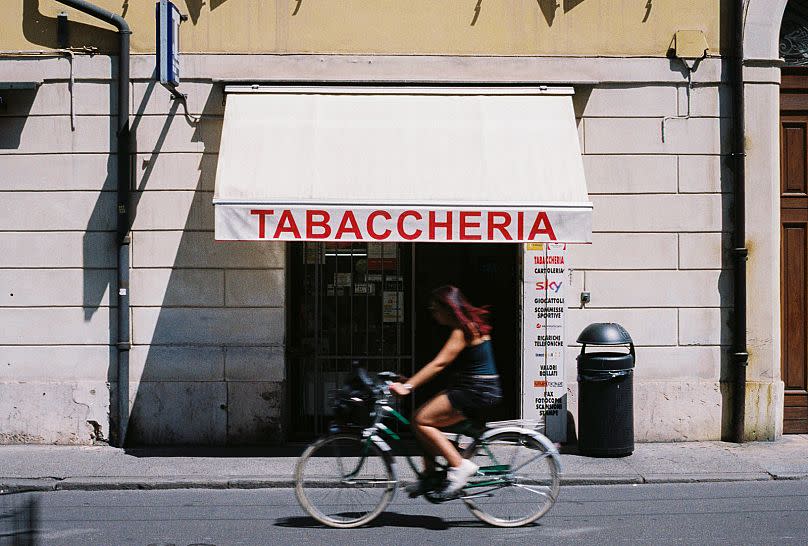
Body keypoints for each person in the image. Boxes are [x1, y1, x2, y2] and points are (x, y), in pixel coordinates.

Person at [390, 285, 502, 499]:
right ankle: (430, 476)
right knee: (420, 422)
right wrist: (409, 381)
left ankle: (460, 466)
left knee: (422, 420)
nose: (433, 314)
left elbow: (439, 364)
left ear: (448, 308)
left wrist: (408, 387)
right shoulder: (470, 327)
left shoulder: (463, 330)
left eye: (435, 309)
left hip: (476, 391)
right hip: (475, 388)